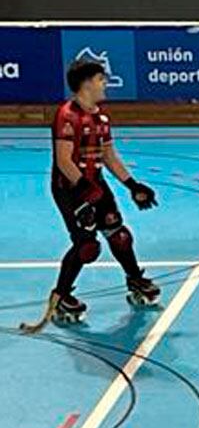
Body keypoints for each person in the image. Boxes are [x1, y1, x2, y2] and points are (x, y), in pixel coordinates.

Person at [39, 60, 160, 326]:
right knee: (87, 246)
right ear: (87, 83)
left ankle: (135, 279)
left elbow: (109, 156)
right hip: (71, 189)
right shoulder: (67, 115)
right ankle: (60, 296)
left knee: (119, 235)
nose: (105, 83)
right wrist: (85, 195)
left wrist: (133, 185)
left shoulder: (101, 117)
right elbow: (64, 161)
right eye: (101, 79)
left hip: (96, 185)